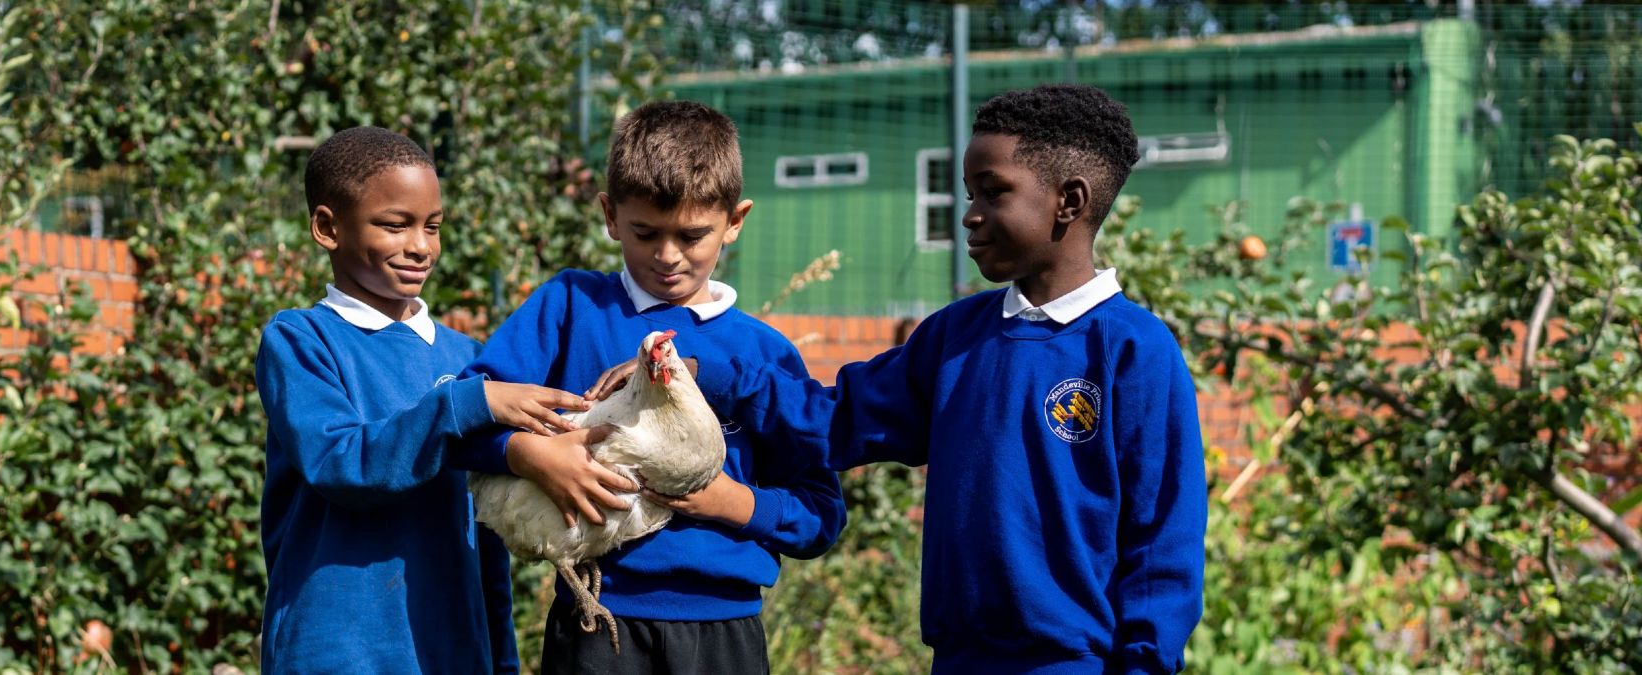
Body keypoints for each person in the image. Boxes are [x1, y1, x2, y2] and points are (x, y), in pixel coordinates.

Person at [611, 84, 1207, 673]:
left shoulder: (1133, 349)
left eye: (993, 193)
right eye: (968, 192)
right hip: (957, 660)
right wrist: (703, 375)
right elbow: (836, 420)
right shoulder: (954, 337)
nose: (969, 214)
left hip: (1076, 664)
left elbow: (1163, 539)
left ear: (1069, 202)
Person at [459, 101, 847, 674]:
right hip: (595, 618)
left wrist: (730, 501)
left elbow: (820, 515)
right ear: (610, 216)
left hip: (724, 631)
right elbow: (467, 415)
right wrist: (530, 454)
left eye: (693, 235)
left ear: (735, 221)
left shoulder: (762, 354)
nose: (668, 256)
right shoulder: (570, 308)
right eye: (645, 232)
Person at [255, 126, 590, 674]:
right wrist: (463, 406)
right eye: (395, 224)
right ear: (326, 227)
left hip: (451, 653)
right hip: (336, 653)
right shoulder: (299, 340)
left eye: (432, 227)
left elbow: (488, 529)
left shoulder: (470, 361)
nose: (420, 246)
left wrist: (501, 659)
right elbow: (341, 464)